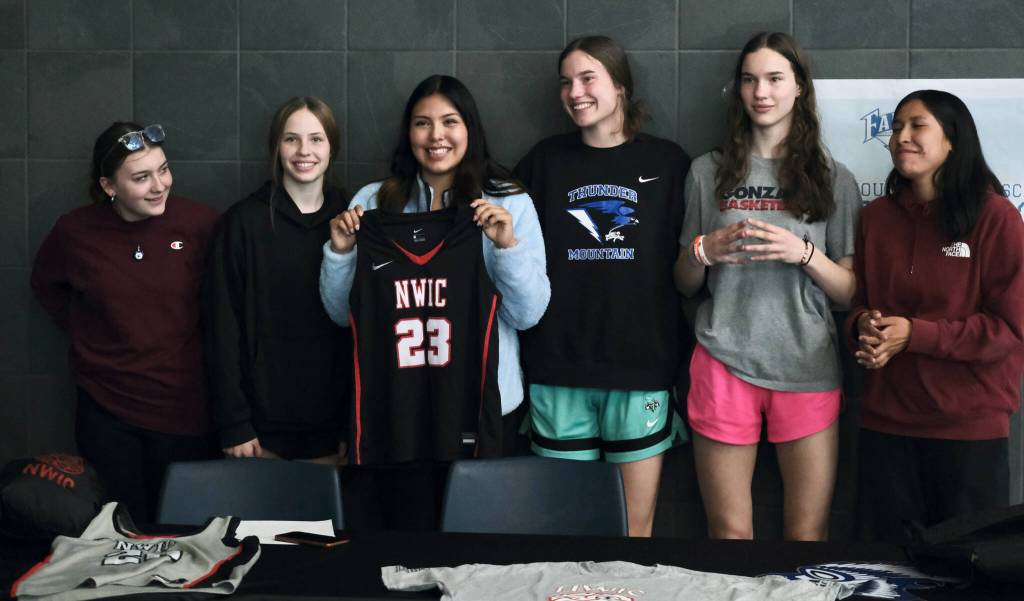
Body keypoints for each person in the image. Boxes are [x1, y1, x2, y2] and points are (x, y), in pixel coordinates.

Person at [319, 74, 549, 528]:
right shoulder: (373, 204)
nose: (436, 135)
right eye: (423, 123)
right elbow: (342, 314)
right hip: (396, 405)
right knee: (403, 540)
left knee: (481, 544)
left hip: (483, 405)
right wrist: (340, 253)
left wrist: (506, 246)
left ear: (470, 129)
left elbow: (527, 314)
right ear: (409, 133)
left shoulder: (509, 202)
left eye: (449, 121)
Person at [673, 32, 861, 541]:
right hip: (723, 359)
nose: (762, 92)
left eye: (775, 79)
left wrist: (802, 254)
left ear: (799, 87)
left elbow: (849, 294)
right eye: (750, 80)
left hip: (807, 364)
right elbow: (684, 282)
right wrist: (706, 250)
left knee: (808, 534)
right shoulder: (705, 172)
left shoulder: (833, 178)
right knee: (729, 533)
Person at [514, 35, 690, 538]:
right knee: (566, 530)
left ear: (620, 86)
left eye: (588, 78)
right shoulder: (543, 162)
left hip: (640, 367)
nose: (575, 92)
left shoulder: (668, 163)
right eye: (566, 82)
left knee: (634, 531)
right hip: (557, 368)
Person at [849, 90, 1024, 543]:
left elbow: (1009, 329)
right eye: (896, 127)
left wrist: (915, 335)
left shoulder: (997, 218)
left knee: (968, 573)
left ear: (953, 140)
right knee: (882, 572)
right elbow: (859, 304)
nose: (901, 137)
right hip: (885, 425)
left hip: (968, 430)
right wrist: (864, 327)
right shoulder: (875, 218)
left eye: (917, 125)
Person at [30, 122, 219, 522]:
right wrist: (91, 333)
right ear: (108, 185)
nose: (159, 185)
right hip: (107, 410)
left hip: (184, 408)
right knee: (119, 531)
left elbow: (225, 307)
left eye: (163, 169)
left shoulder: (199, 224)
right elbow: (47, 286)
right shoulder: (75, 232)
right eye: (141, 177)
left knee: (183, 532)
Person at [204, 96, 351, 464]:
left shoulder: (353, 218)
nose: (304, 151)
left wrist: (356, 425)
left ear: (332, 147)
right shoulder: (241, 224)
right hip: (260, 429)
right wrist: (234, 422)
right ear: (276, 146)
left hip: (334, 428)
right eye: (292, 139)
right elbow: (221, 328)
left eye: (316, 139)